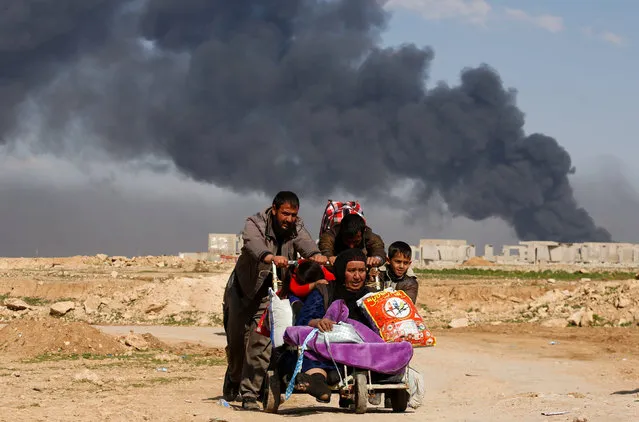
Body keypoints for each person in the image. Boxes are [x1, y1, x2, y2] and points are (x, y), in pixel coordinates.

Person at [222, 191, 328, 410]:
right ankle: (233, 376)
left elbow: (306, 244)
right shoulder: (255, 223)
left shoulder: (296, 227)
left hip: (272, 293)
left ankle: (250, 393)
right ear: (274, 209)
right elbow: (253, 244)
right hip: (242, 291)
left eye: (293, 215)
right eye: (285, 214)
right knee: (236, 344)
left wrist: (316, 255)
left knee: (260, 341)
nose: (289, 219)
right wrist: (270, 257)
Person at [281, 249, 413, 404]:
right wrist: (318, 322)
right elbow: (303, 320)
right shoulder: (325, 291)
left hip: (363, 351)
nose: (357, 276)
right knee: (310, 355)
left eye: (361, 271)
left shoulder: (373, 296)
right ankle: (317, 382)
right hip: (330, 348)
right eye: (352, 271)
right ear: (342, 271)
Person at [318, 212, 386, 268]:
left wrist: (377, 259)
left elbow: (379, 250)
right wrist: (329, 258)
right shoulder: (329, 236)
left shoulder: (370, 236)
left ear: (362, 234)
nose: (351, 246)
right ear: (341, 232)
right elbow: (325, 249)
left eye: (356, 242)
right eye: (347, 241)